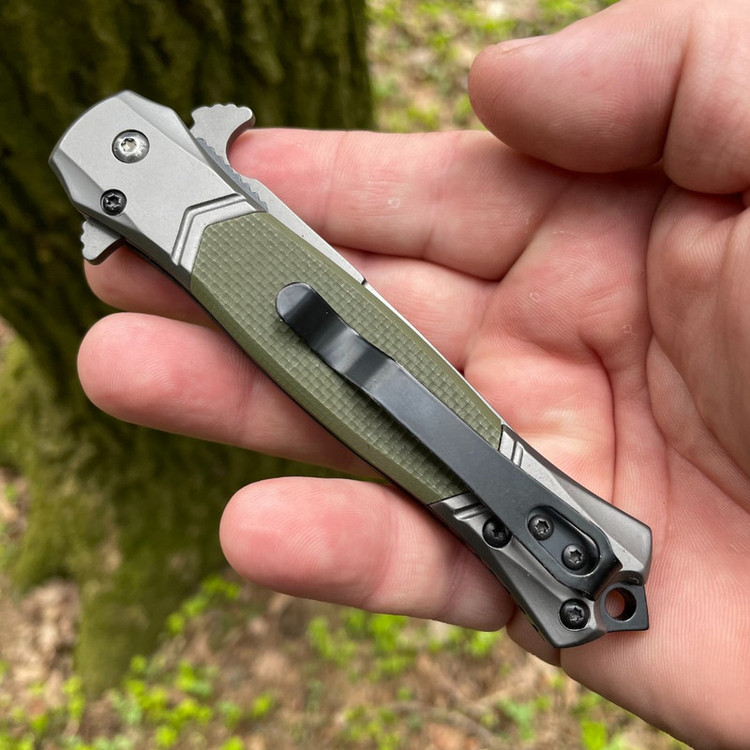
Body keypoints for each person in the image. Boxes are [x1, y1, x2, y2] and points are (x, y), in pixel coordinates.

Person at [77, 0, 750, 746]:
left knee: (326, 333)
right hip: (566, 552)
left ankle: (567, 555)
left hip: (564, 549)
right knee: (318, 329)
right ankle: (565, 556)